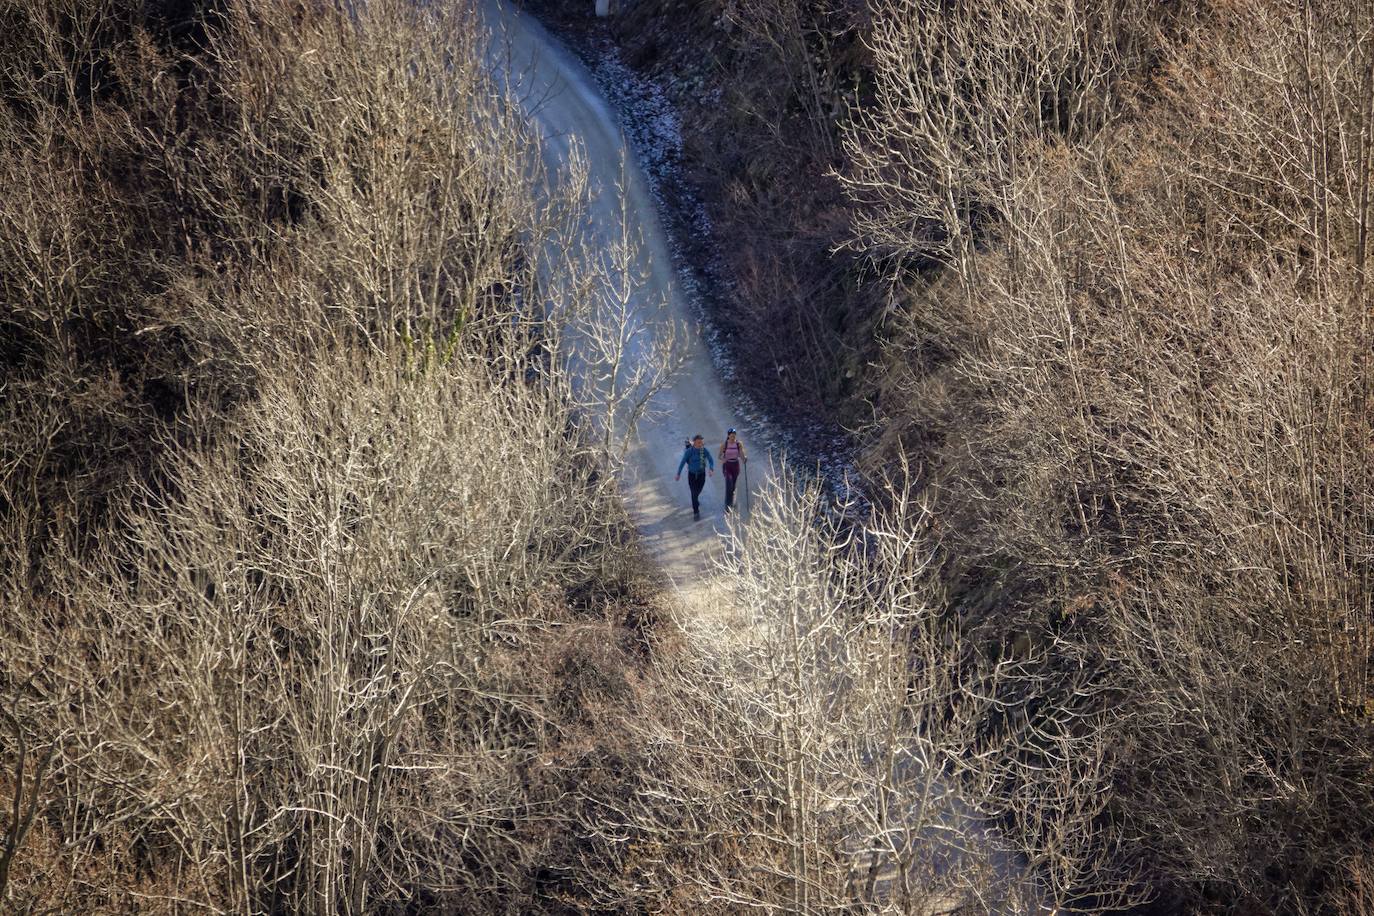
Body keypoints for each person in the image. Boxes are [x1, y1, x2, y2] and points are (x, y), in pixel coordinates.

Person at [675, 434, 714, 520]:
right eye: (699, 442)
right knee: (693, 493)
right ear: (695, 443)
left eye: (702, 442)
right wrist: (678, 474)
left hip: (701, 474)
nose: (701, 444)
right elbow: (682, 462)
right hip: (692, 475)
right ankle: (696, 512)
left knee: (698, 491)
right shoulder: (689, 451)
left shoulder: (704, 451)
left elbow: (711, 459)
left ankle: (695, 501)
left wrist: (711, 469)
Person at [718, 427, 748, 511]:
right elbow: (719, 456)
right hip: (727, 465)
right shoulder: (724, 444)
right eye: (731, 435)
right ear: (728, 436)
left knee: (733, 486)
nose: (733, 437)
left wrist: (744, 459)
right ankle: (727, 505)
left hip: (735, 465)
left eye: (734, 435)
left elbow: (741, 454)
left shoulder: (739, 444)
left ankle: (732, 501)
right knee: (729, 483)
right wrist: (722, 459)